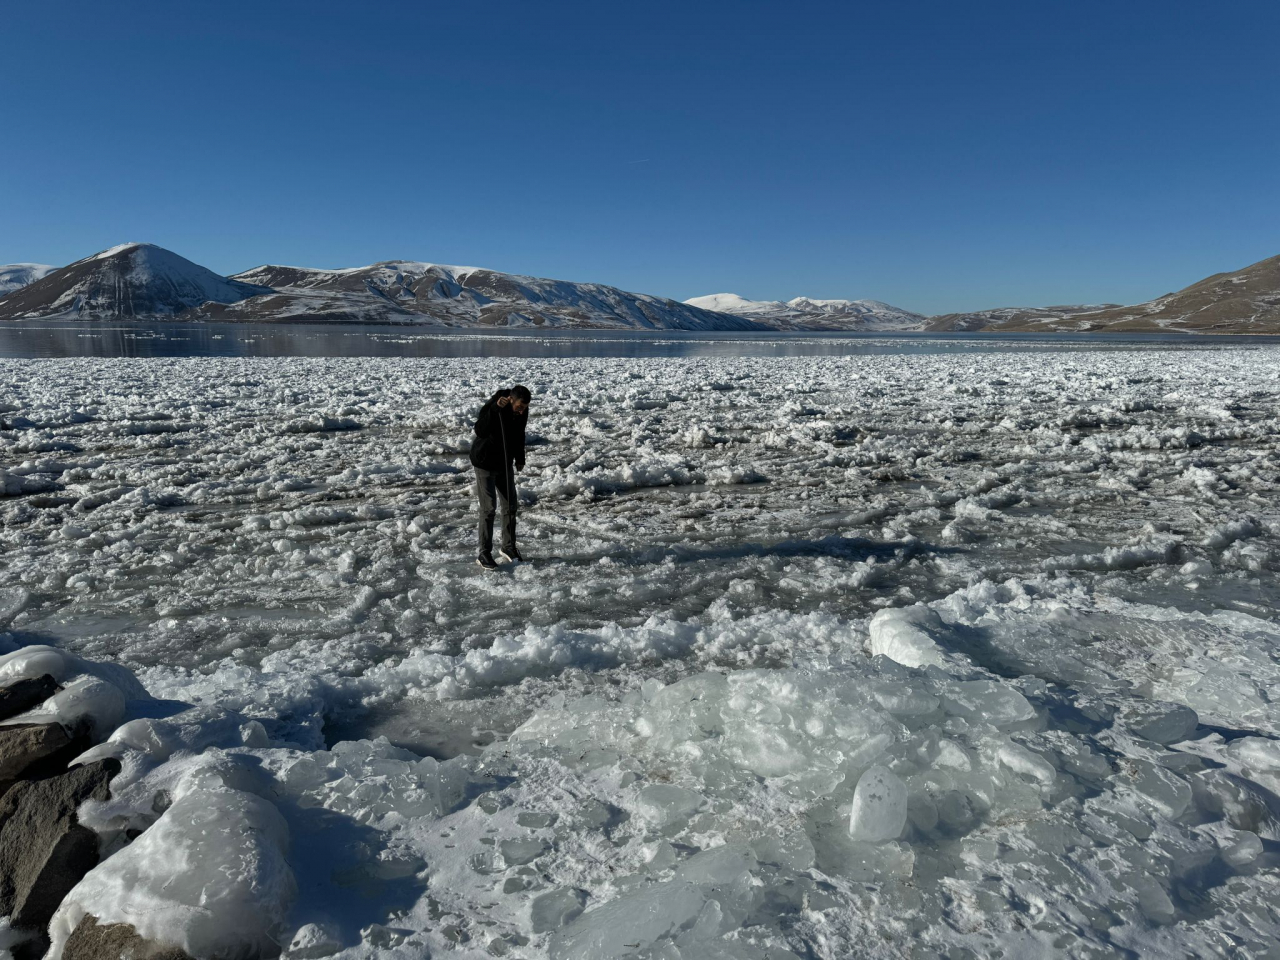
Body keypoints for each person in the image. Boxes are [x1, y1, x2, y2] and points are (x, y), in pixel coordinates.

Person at [469, 384, 531, 568]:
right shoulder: (494, 405)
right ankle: (484, 553)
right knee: (489, 508)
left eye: (525, 408)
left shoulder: (522, 411)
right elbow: (479, 430)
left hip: (504, 463)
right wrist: (496, 409)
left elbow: (520, 434)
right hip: (485, 463)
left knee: (510, 505)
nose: (522, 411)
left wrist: (520, 458)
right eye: (520, 406)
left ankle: (508, 547)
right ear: (511, 399)